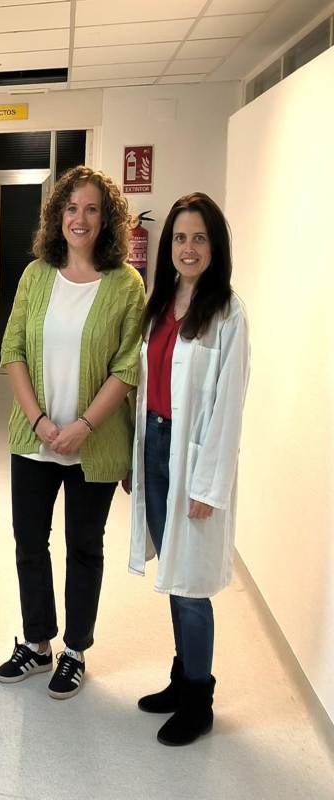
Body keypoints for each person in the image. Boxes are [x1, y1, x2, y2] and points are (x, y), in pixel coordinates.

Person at [0, 166, 145, 699]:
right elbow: (12, 349)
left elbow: (127, 366)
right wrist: (39, 420)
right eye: (71, 208)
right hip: (34, 440)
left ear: (107, 220)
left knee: (84, 547)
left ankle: (75, 651)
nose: (80, 219)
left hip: (94, 445)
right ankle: (38, 643)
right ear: (58, 215)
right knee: (29, 543)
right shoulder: (37, 274)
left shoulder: (126, 284)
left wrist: (83, 426)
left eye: (91, 209)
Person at [128, 192, 249, 746]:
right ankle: (182, 678)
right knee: (175, 572)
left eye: (199, 237)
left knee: (192, 583)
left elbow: (228, 409)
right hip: (155, 447)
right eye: (180, 238)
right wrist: (135, 457)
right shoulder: (160, 304)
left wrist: (209, 486)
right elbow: (147, 386)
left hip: (193, 456)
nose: (188, 247)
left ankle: (199, 698)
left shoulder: (228, 313)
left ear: (215, 245)